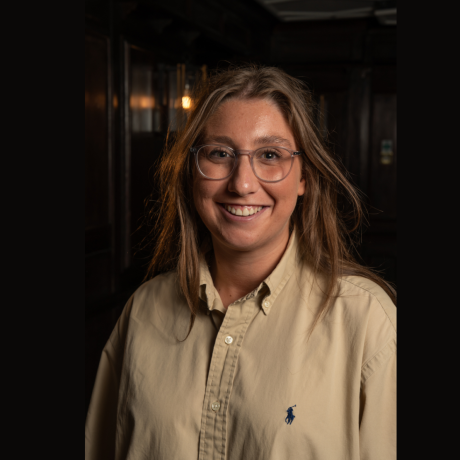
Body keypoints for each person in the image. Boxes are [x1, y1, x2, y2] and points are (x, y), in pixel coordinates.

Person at [85, 65, 397, 460]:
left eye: (270, 154)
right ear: (192, 172)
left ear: (304, 178)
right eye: (220, 153)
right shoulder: (142, 312)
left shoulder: (368, 323)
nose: (242, 183)